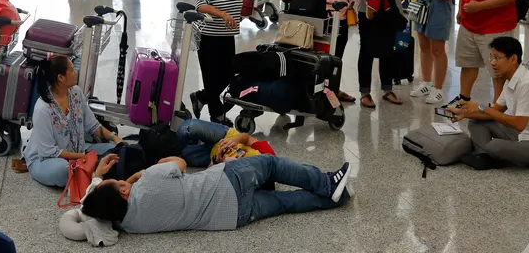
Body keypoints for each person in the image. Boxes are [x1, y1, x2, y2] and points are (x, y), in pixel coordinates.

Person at [81, 155, 353, 233]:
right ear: (124, 191)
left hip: (232, 217)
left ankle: (337, 197)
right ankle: (328, 183)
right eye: (116, 183)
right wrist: (139, 174)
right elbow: (179, 163)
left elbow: (90, 206)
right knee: (271, 164)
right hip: (229, 181)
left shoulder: (127, 225)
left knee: (285, 202)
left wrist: (106, 181)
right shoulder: (150, 180)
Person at [189, 0, 293, 124]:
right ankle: (217, 115)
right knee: (211, 76)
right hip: (208, 37)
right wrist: (222, 14)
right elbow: (201, 5)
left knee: (229, 73)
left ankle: (201, 97)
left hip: (227, 36)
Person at [448, 37, 529, 169]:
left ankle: (491, 154)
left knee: (494, 145)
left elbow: (519, 124)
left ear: (513, 59)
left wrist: (482, 107)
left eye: (497, 58)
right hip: (524, 135)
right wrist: (465, 114)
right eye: (491, 58)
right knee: (476, 122)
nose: (493, 63)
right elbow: (496, 111)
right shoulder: (510, 81)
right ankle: (484, 157)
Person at [24, 55, 122, 187]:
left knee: (116, 152)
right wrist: (82, 156)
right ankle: (93, 174)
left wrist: (115, 139)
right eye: (71, 70)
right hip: (46, 160)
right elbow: (49, 151)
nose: (75, 72)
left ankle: (91, 172)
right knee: (64, 170)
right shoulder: (43, 108)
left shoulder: (76, 92)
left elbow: (93, 126)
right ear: (61, 78)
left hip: (80, 151)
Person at [300, 0, 356, 102]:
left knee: (338, 56)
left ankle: (334, 89)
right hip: (326, 18)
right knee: (323, 57)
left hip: (344, 17)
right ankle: (317, 91)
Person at [177, 119, 277, 167]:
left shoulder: (250, 180)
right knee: (187, 128)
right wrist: (235, 140)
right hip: (226, 136)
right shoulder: (269, 155)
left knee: (183, 156)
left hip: (212, 156)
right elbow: (246, 137)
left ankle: (193, 142)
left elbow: (211, 176)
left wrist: (216, 161)